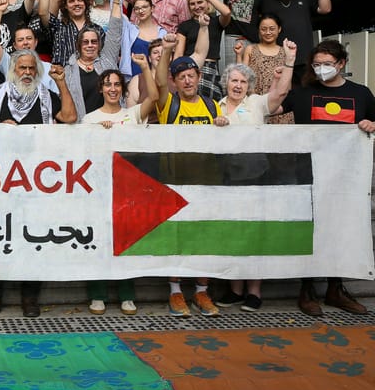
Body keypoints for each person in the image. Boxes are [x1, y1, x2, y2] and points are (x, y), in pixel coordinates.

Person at [280, 40, 375, 317]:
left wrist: (372, 124)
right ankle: (306, 289)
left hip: (346, 179)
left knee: (341, 229)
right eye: (317, 64)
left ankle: (336, 288)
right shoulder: (302, 93)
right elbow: (270, 108)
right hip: (307, 176)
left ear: (342, 64)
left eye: (327, 64)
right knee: (309, 230)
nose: (321, 69)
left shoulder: (361, 94)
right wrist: (286, 66)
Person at [0, 50, 76, 320]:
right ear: (13, 70)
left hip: (36, 186)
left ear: (37, 71)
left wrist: (61, 83)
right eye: (21, 68)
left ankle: (30, 298)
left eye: (31, 69)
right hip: (2, 184)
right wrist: (1, 130)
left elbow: (69, 117)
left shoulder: (46, 97)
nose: (26, 73)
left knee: (33, 240)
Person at [216, 42, 296, 313]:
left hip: (257, 178)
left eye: (242, 81)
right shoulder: (216, 107)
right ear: (226, 83)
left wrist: (290, 60)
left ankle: (254, 291)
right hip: (227, 180)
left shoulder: (257, 104)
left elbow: (282, 91)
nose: (237, 85)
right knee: (232, 234)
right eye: (233, 80)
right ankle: (235, 290)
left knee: (254, 234)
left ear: (249, 85)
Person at [155, 33, 227, 317]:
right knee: (176, 239)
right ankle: (175, 293)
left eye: (191, 75)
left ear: (198, 77)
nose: (187, 81)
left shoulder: (212, 106)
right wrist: (167, 52)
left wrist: (223, 124)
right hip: (174, 184)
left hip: (206, 184)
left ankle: (201, 291)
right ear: (175, 81)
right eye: (181, 76)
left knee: (204, 239)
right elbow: (159, 81)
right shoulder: (168, 104)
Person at [82, 58, 157, 315]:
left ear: (123, 90)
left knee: (126, 243)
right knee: (100, 242)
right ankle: (97, 294)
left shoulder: (132, 114)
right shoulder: (89, 119)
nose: (112, 88)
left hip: (129, 189)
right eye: (107, 85)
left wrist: (145, 68)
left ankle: (127, 295)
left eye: (117, 84)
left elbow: (154, 96)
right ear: (101, 89)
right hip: (101, 190)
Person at [260, 0, 331, 82]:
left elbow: (325, 9)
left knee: (306, 95)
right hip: (278, 60)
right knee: (282, 96)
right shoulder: (266, 1)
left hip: (304, 59)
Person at [63, 0, 123, 119]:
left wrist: (117, 1)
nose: (90, 45)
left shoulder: (107, 59)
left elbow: (115, 31)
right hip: (81, 127)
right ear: (78, 46)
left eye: (94, 42)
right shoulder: (68, 69)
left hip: (112, 124)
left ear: (99, 44)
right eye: (85, 42)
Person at [174, 0, 232, 100]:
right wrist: (177, 72)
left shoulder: (216, 22)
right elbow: (178, 54)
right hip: (190, 67)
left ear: (207, 3)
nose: (197, 6)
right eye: (192, 4)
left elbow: (226, 12)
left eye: (200, 2)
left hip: (210, 67)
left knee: (213, 103)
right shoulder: (184, 26)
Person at [38, 0, 103, 66]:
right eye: (71, 1)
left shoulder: (97, 30)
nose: (76, 3)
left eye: (80, 0)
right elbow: (43, 12)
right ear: (65, 6)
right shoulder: (57, 27)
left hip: (91, 78)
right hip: (62, 78)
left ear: (85, 4)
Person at [240, 14, 294, 124]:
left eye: (272, 29)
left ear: (279, 29)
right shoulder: (251, 49)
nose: (268, 32)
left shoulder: (286, 51)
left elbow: (288, 82)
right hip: (256, 104)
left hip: (280, 106)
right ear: (259, 30)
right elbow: (242, 75)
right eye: (263, 29)